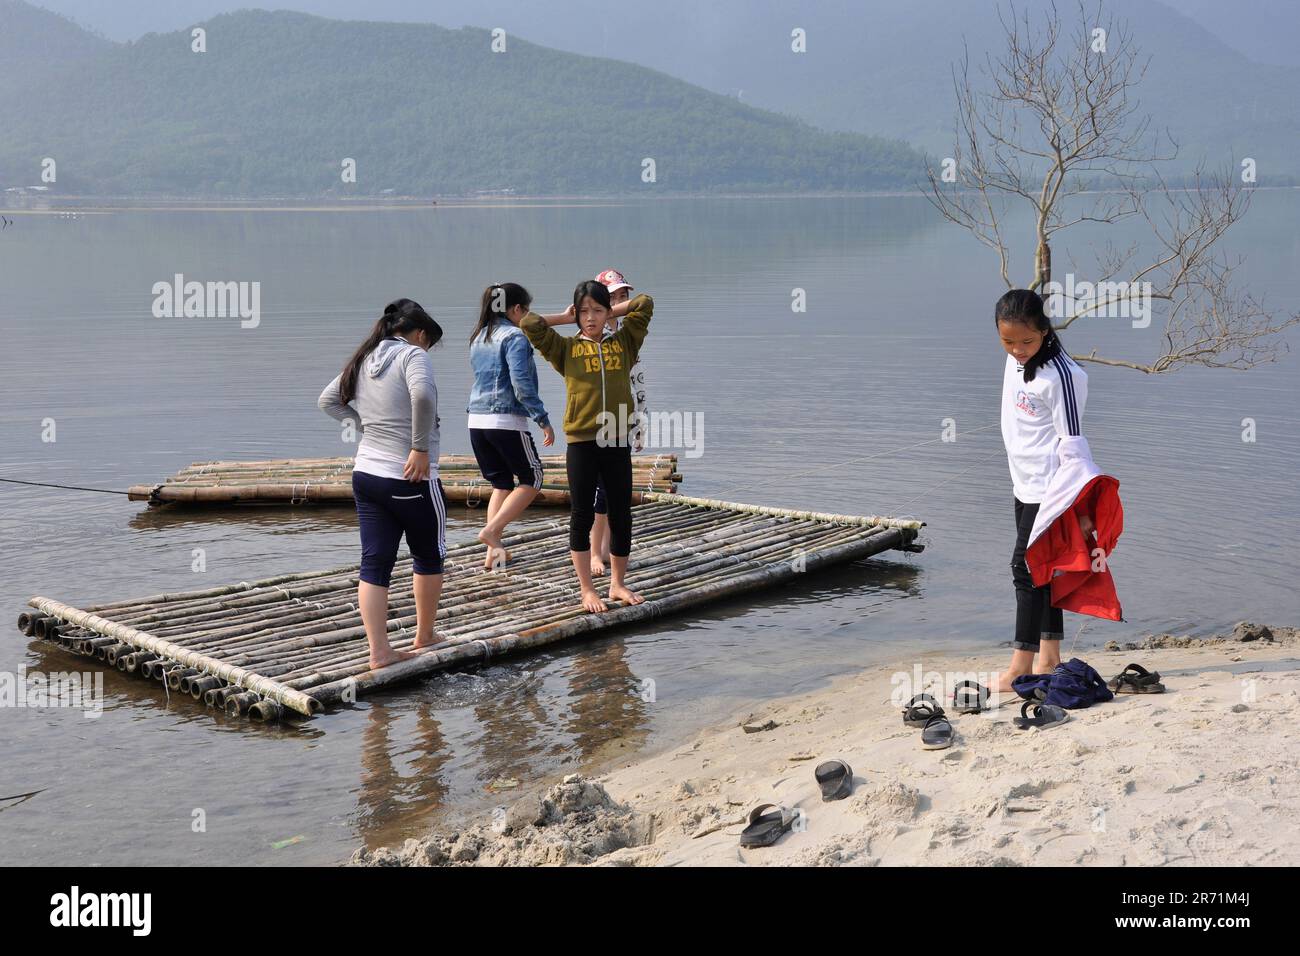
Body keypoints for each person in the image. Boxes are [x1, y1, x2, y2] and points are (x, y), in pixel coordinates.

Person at [318, 299, 446, 670]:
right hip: (409, 475)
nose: (427, 349)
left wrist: (366, 426)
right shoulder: (412, 356)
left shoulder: (366, 355)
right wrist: (419, 447)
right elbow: (422, 395)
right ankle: (424, 635)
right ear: (420, 334)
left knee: (375, 562)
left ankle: (380, 651)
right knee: (429, 554)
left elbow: (328, 401)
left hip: (366, 474)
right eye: (428, 342)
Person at [521, 281, 654, 613]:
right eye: (584, 312)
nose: (591, 318)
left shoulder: (624, 343)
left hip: (617, 440)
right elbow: (528, 323)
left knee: (621, 514)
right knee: (581, 514)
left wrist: (613, 311)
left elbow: (645, 303)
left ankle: (617, 584)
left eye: (597, 311)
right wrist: (565, 319)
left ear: (607, 312)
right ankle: (586, 590)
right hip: (581, 443)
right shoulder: (565, 350)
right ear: (576, 315)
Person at [994, 288, 1093, 692]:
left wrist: (1080, 506)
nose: (1017, 350)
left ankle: (1020, 666)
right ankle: (1050, 657)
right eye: (1008, 341)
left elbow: (1073, 446)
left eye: (1027, 341)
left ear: (1045, 330)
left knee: (1025, 568)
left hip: (1050, 489)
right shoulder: (1016, 358)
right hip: (1023, 482)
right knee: (1045, 570)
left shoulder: (1064, 377)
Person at [468, 282, 556, 569]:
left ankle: (493, 552)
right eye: (526, 310)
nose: (528, 316)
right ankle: (492, 532)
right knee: (533, 479)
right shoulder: (515, 338)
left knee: (501, 484)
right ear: (516, 309)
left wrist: (565, 317)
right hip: (505, 421)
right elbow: (522, 385)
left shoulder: (479, 336)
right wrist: (542, 419)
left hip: (476, 421)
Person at [587, 268, 648, 576]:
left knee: (615, 493)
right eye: (613, 296)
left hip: (623, 421)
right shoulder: (589, 335)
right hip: (597, 423)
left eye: (623, 295)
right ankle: (595, 553)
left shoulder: (625, 334)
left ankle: (610, 552)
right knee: (600, 495)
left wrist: (640, 424)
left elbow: (636, 382)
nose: (623, 300)